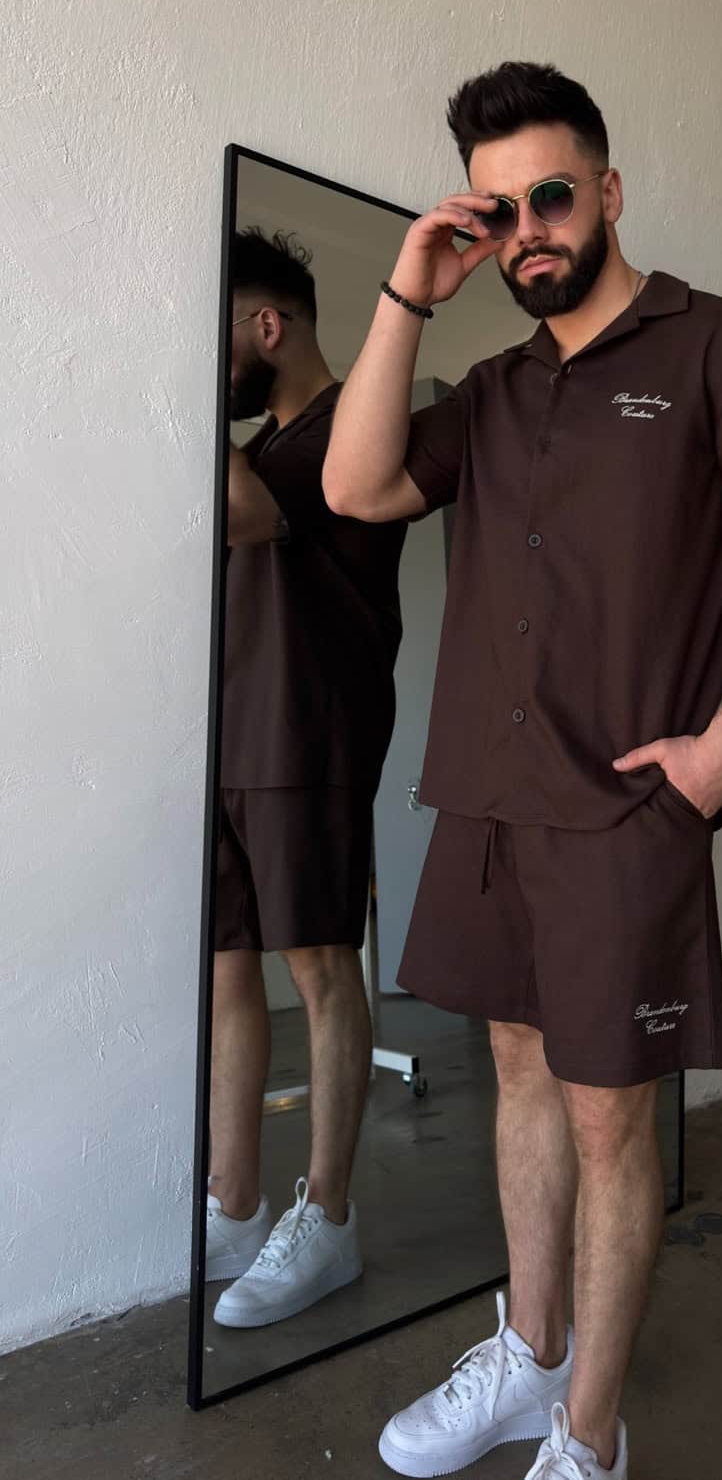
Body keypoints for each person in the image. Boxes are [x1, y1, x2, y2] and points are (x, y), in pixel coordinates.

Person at [324, 63, 722, 1478]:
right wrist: (410, 290)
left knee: (611, 1116)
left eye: (550, 196)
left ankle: (588, 1430)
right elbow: (354, 487)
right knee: (515, 1069)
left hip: (624, 808)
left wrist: (717, 753)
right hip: (487, 800)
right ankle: (532, 1348)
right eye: (497, 211)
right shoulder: (495, 390)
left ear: (608, 192)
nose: (528, 230)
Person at [205, 228, 407, 1329]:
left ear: (268, 327)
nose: (217, 363)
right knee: (228, 968)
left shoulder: (346, 430)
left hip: (308, 736)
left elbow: (250, 514)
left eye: (223, 337)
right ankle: (234, 1202)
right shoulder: (265, 440)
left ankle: (327, 1219)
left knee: (322, 969)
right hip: (232, 737)